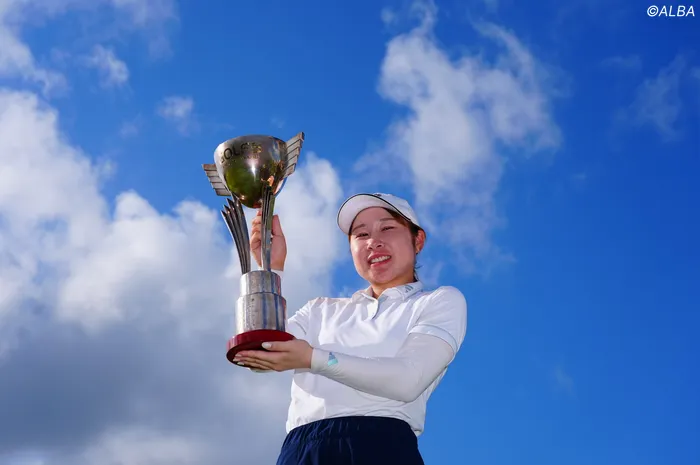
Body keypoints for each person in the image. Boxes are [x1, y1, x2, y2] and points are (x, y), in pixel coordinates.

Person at [234, 192, 468, 465]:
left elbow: (408, 380)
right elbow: (258, 351)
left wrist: (313, 358)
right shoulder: (319, 309)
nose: (373, 242)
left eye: (387, 228)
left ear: (418, 240)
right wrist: (271, 268)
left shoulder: (439, 301)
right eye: (361, 234)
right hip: (301, 451)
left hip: (383, 446)